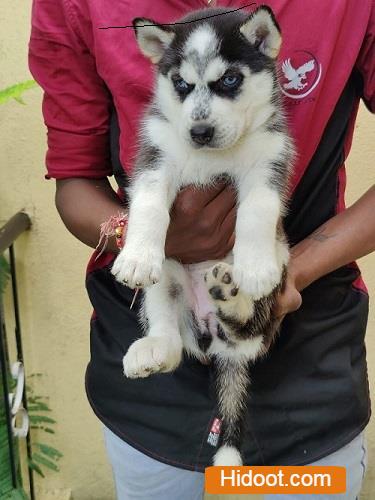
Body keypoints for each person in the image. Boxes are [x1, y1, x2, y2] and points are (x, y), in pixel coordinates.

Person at [29, 0, 374, 498]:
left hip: (307, 377)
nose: (201, 115)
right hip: (148, 402)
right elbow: (74, 179)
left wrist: (295, 270)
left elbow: (264, 192)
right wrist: (138, 235)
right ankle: (165, 336)